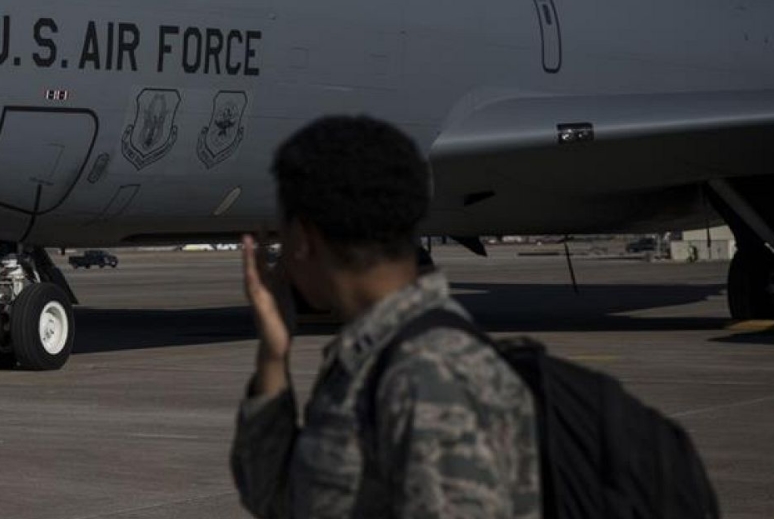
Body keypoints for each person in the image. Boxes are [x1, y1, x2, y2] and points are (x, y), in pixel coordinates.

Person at [230, 115, 541, 518]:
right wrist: (273, 356)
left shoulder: (431, 376)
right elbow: (279, 502)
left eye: (281, 230)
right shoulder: (373, 356)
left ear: (304, 238)